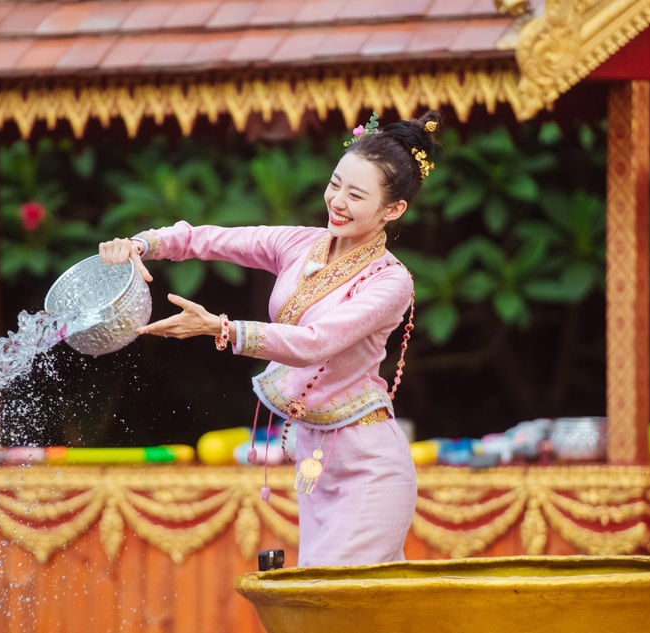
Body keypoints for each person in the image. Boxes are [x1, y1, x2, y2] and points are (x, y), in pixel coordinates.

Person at [99, 110, 440, 567]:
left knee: (334, 599)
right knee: (323, 597)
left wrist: (221, 328)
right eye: (335, 184)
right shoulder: (299, 244)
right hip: (314, 456)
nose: (337, 201)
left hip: (370, 466)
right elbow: (211, 239)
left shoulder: (389, 281)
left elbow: (315, 342)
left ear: (392, 210)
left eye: (356, 195)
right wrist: (141, 244)